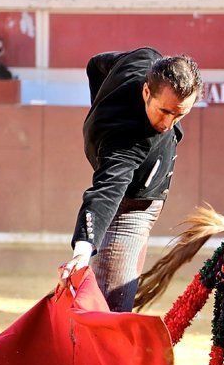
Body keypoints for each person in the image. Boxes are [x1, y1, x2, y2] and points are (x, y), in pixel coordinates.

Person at [59, 48, 202, 313]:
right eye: (164, 111)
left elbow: (95, 63)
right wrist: (83, 249)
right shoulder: (126, 141)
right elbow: (106, 191)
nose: (169, 123)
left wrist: (100, 105)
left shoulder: (145, 58)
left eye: (180, 115)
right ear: (146, 91)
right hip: (128, 206)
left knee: (112, 306)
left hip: (141, 199)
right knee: (109, 311)